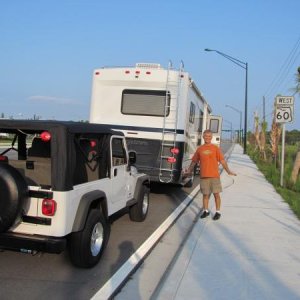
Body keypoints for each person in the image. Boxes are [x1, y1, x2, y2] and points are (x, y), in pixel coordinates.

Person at [184, 129, 236, 220]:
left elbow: (222, 161)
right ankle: (206, 211)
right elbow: (194, 161)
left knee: (216, 194)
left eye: (209, 136)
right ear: (203, 137)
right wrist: (189, 170)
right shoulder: (200, 149)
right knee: (205, 195)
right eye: (205, 136)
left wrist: (228, 171)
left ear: (211, 137)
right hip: (204, 176)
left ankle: (218, 212)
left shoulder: (215, 148)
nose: (207, 138)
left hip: (214, 176)